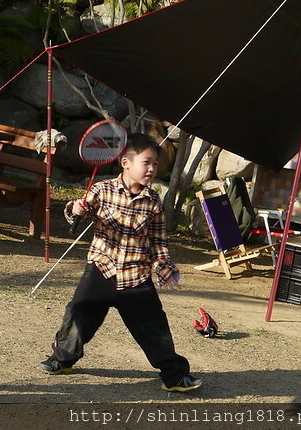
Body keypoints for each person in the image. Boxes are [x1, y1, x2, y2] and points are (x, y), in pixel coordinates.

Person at [38, 133, 201, 393]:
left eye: (155, 164)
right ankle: (62, 360)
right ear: (125, 162)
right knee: (78, 316)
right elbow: (79, 210)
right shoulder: (102, 190)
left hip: (136, 277)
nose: (152, 169)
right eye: (146, 162)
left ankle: (175, 377)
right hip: (101, 270)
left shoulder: (153, 202)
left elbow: (158, 242)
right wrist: (75, 210)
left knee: (154, 329)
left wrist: (165, 267)